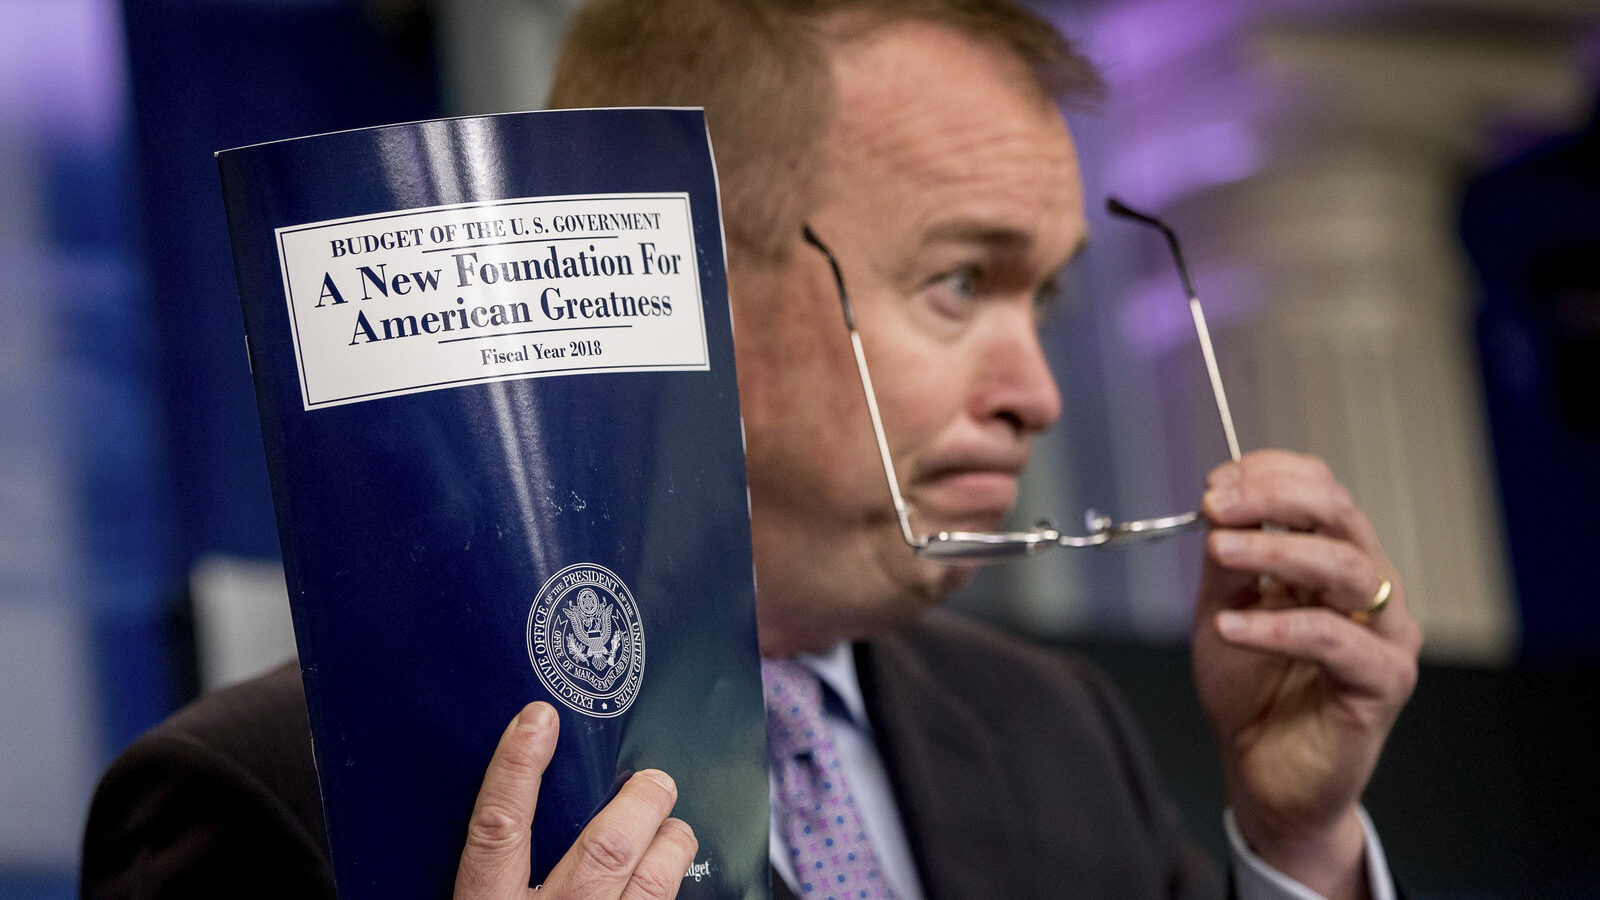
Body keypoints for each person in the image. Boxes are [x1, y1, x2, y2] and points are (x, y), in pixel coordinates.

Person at [82, 1, 1422, 898]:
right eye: (961, 283)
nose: (1038, 393)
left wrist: (1300, 842)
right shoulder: (249, 800)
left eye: (1047, 299)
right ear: (683, 282)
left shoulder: (1056, 730)